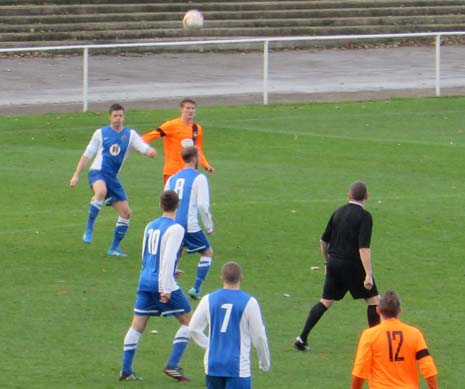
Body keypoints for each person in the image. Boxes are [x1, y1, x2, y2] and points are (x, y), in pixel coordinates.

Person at [294, 181, 380, 351]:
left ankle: (302, 338)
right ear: (367, 196)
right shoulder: (365, 217)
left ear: (349, 195)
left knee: (325, 301)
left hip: (334, 263)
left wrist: (327, 261)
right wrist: (368, 274)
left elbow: (323, 241)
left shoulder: (338, 212)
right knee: (374, 301)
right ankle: (374, 345)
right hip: (353, 265)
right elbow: (363, 248)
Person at [119, 190, 192, 382]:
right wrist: (166, 288)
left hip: (145, 279)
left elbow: (147, 255)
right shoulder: (176, 229)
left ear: (160, 205)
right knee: (189, 323)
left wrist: (162, 272)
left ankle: (126, 370)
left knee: (137, 326)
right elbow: (168, 259)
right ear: (178, 205)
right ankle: (173, 365)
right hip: (162, 283)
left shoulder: (150, 226)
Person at [69, 103, 157, 257]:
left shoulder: (130, 135)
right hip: (98, 172)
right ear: (110, 117)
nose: (118, 119)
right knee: (101, 191)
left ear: (124, 117)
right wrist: (76, 175)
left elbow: (142, 147)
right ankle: (89, 228)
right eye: (115, 116)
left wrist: (149, 151)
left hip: (113, 178)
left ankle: (114, 248)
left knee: (126, 213)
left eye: (120, 116)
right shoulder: (100, 133)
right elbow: (87, 154)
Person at [189, 261, 271, 389]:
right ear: (241, 277)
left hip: (213, 364)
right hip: (237, 367)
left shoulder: (208, 299)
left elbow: (193, 328)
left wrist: (209, 345)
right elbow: (259, 336)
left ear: (221, 278)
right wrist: (264, 362)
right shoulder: (249, 302)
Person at [352, 290, 438, 389]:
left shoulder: (369, 335)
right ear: (399, 311)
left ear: (378, 310)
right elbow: (429, 368)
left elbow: (359, 373)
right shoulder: (415, 334)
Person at [165, 145, 214, 300]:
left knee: (176, 253)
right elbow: (203, 205)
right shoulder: (199, 178)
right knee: (207, 252)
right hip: (189, 224)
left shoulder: (172, 178)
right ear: (194, 159)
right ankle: (196, 288)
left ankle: (167, 287)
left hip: (172, 223)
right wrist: (208, 225)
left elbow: (164, 199)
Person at [142, 98, 214, 184]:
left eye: (193, 108)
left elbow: (198, 149)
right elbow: (151, 135)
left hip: (190, 171)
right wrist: (139, 145)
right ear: (181, 109)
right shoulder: (171, 125)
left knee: (188, 197)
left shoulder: (197, 128)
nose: (190, 111)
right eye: (187, 108)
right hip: (173, 171)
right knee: (171, 197)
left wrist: (206, 165)